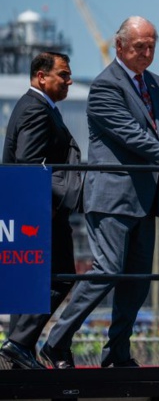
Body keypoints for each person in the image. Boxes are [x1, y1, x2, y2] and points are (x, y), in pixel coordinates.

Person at [41, 16, 159, 369]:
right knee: (107, 270)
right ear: (120, 45)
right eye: (140, 46)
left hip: (146, 198)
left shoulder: (156, 84)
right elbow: (135, 138)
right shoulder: (105, 87)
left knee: (138, 281)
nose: (147, 52)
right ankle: (57, 341)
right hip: (112, 197)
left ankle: (117, 354)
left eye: (152, 45)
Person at [0, 52, 83, 370]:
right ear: (40, 76)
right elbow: (29, 162)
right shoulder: (36, 108)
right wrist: (44, 206)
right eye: (63, 74)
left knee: (26, 283)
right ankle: (19, 343)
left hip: (27, 206)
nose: (69, 80)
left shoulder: (33, 105)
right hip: (37, 209)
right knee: (61, 276)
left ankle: (17, 352)